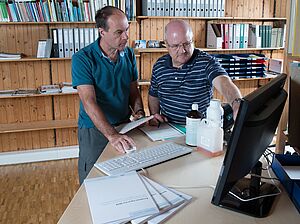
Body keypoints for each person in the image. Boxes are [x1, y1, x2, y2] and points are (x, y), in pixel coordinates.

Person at [72, 6, 145, 184]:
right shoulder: (82, 59)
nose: (126, 37)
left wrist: (139, 112)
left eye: (127, 30)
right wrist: (112, 135)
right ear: (102, 32)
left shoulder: (128, 53)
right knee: (93, 179)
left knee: (124, 176)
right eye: (119, 32)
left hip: (124, 125)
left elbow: (133, 90)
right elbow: (89, 102)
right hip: (94, 129)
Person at [148, 20, 242, 126]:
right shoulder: (159, 66)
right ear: (166, 45)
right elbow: (153, 95)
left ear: (192, 41)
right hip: (167, 128)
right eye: (175, 46)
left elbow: (223, 81)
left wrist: (236, 103)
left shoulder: (206, 62)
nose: (182, 50)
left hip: (200, 128)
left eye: (187, 44)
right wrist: (154, 116)